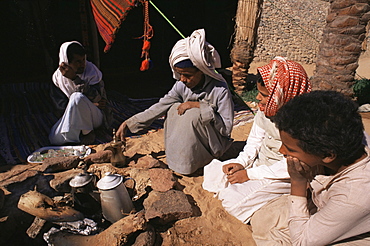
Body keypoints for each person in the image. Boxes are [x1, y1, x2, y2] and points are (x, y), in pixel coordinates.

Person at [250, 90, 370, 245]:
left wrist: (298, 183)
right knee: (263, 218)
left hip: (357, 228)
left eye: (290, 149)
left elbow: (302, 242)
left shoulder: (354, 196)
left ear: (327, 155)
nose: (281, 151)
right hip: (331, 208)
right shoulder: (343, 136)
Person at [202, 56, 311, 224]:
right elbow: (254, 141)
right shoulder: (265, 110)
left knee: (232, 199)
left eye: (264, 95)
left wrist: (250, 175)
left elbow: (289, 166)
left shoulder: (304, 125)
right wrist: (241, 163)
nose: (258, 98)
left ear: (283, 95)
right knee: (213, 170)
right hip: (259, 165)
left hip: (282, 176)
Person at [116, 29, 234, 175]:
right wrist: (129, 122)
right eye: (179, 74)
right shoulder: (181, 85)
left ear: (202, 71)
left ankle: (195, 162)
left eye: (187, 75)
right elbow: (160, 106)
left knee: (193, 114)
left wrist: (200, 107)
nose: (182, 79)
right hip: (193, 140)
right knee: (172, 108)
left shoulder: (220, 89)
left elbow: (226, 129)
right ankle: (179, 159)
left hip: (214, 144)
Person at [49, 41, 109, 145]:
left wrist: (75, 79)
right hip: (73, 117)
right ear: (66, 63)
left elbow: (99, 100)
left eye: (83, 60)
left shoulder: (92, 71)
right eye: (77, 61)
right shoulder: (57, 79)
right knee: (54, 139)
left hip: (95, 117)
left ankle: (88, 133)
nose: (82, 64)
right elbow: (60, 109)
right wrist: (82, 106)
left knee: (77, 97)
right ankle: (77, 135)